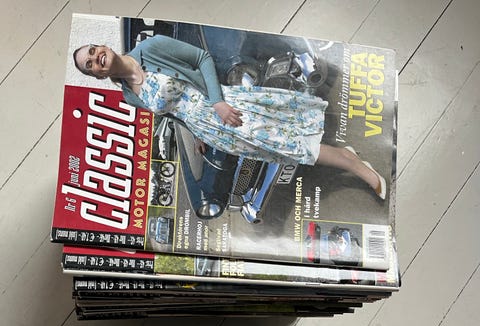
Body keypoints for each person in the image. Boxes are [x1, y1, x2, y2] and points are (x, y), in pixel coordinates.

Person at [73, 38, 386, 198]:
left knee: (290, 142)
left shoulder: (151, 48)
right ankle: (346, 157)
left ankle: (351, 162)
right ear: (97, 75)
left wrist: (218, 102)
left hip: (226, 108)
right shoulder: (128, 96)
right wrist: (197, 134)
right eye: (90, 65)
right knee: (279, 150)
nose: (96, 58)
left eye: (93, 51)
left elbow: (201, 58)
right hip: (215, 132)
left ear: (103, 46)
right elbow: (172, 114)